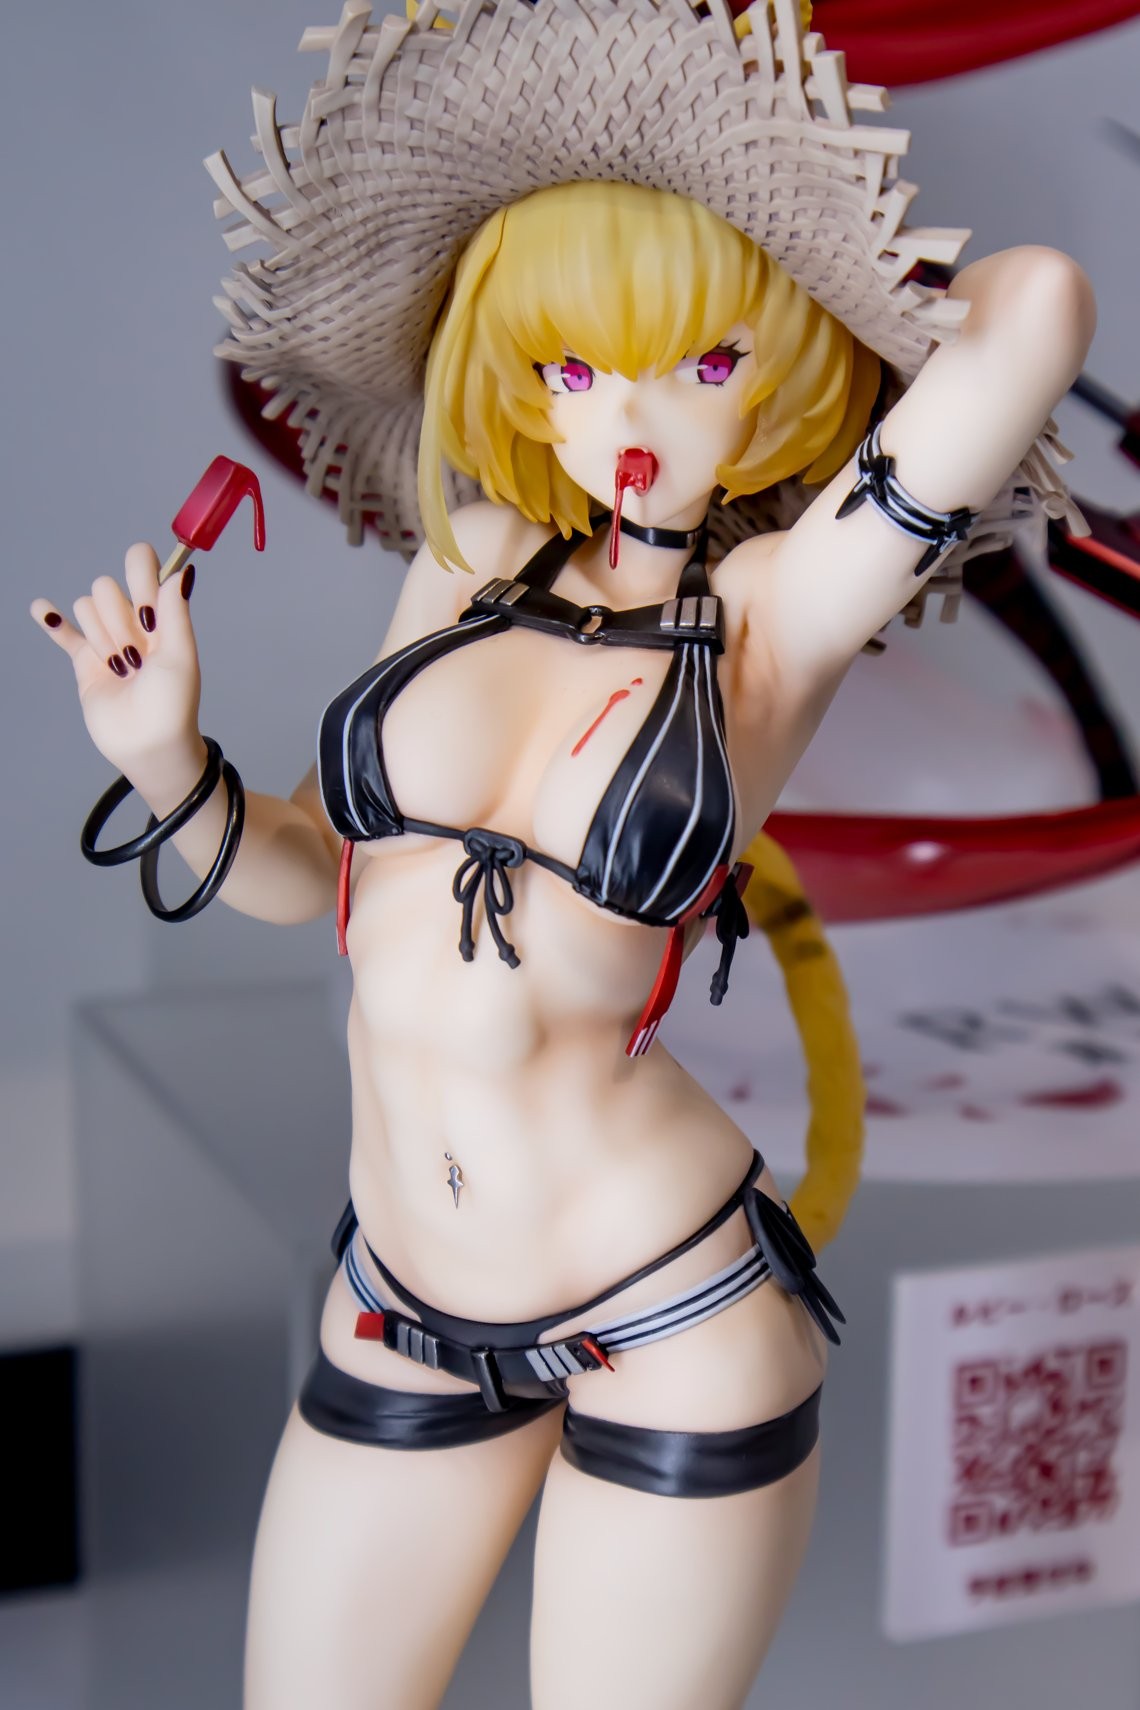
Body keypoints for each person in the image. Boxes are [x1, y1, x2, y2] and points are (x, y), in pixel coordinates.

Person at [30, 3, 1094, 1705]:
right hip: (396, 1289)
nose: (632, 418)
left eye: (703, 364)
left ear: (777, 370)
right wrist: (166, 759)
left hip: (667, 1307)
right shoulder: (472, 559)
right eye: (578, 366)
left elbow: (1036, 309)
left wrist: (814, 253)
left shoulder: (773, 614)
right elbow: (314, 876)